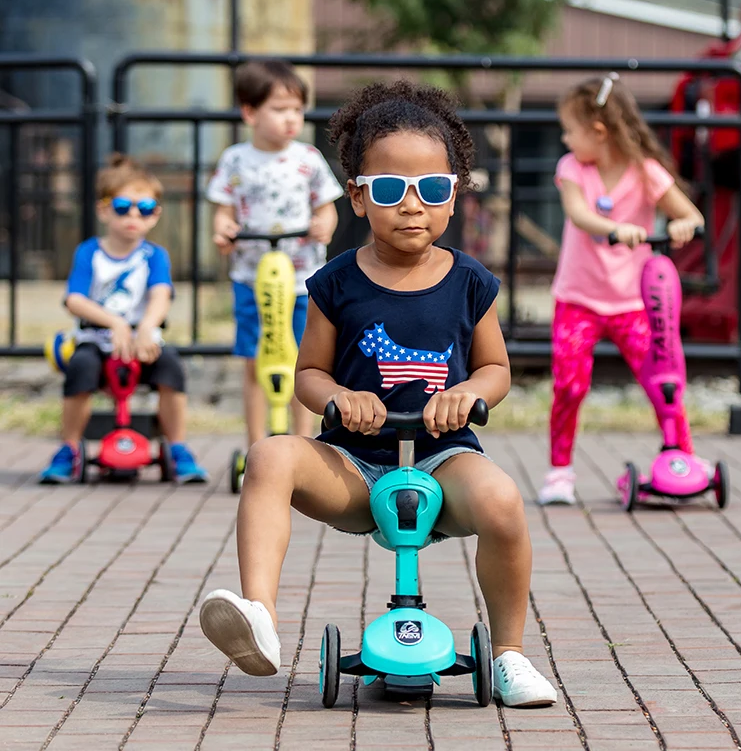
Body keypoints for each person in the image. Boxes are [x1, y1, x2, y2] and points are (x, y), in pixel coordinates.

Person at [198, 81, 559, 708]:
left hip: (443, 458)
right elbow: (309, 372)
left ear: (455, 196)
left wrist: (469, 392)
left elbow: (496, 367)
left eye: (432, 189)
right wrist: (338, 396)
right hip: (355, 463)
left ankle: (508, 654)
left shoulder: (470, 280)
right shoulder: (334, 283)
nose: (412, 205)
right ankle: (258, 614)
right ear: (359, 199)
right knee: (270, 456)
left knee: (502, 502)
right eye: (390, 190)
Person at [538, 73, 705, 507]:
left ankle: (681, 459)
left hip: (634, 303)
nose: (564, 138)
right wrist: (616, 229)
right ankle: (559, 472)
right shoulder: (572, 168)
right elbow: (578, 214)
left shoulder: (647, 172)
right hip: (578, 299)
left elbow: (688, 212)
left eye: (570, 130)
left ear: (598, 131)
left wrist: (685, 223)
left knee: (662, 381)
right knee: (570, 386)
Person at [40, 154, 208, 485]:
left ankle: (177, 447)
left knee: (171, 367)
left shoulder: (154, 256)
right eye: (122, 206)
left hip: (142, 343)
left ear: (155, 215)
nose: (133, 215)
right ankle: (69, 448)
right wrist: (114, 323)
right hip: (98, 343)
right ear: (104, 210)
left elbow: (161, 295)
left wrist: (146, 327)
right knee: (81, 368)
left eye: (144, 208)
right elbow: (74, 299)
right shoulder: (90, 253)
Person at [207, 60, 343, 444]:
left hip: (301, 280)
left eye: (297, 110)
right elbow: (223, 210)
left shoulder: (307, 159)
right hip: (252, 278)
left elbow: (326, 206)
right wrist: (224, 231)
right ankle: (256, 443)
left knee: (303, 362)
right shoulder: (236, 159)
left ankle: (302, 444)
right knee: (256, 362)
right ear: (250, 112)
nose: (291, 119)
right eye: (279, 109)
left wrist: (324, 225)